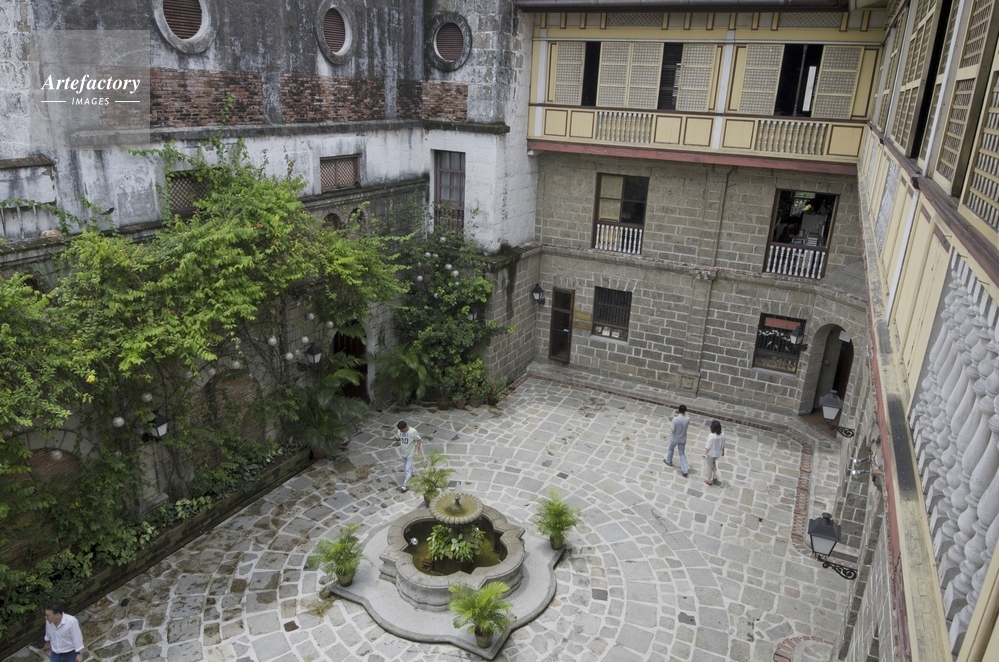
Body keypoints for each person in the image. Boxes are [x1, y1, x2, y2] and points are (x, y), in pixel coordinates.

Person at [393, 420, 422, 492]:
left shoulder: (413, 431)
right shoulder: (400, 431)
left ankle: (405, 485)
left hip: (410, 453)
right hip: (403, 452)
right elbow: (400, 438)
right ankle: (412, 474)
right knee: (407, 465)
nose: (401, 431)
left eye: (402, 430)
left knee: (407, 469)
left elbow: (418, 440)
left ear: (405, 427)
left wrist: (417, 449)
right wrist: (397, 439)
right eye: (400, 430)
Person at [663, 405, 691, 477]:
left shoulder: (675, 419)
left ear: (679, 410)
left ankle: (669, 461)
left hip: (674, 438)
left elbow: (673, 430)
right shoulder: (688, 419)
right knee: (682, 453)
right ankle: (685, 470)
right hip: (682, 438)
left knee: (670, 449)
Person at [704, 420, 726, 485]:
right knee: (713, 463)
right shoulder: (722, 434)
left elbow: (708, 446)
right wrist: (723, 451)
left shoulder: (711, 435)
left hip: (711, 453)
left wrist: (705, 454)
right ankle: (714, 476)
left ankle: (709, 479)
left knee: (709, 465)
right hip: (718, 453)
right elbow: (723, 444)